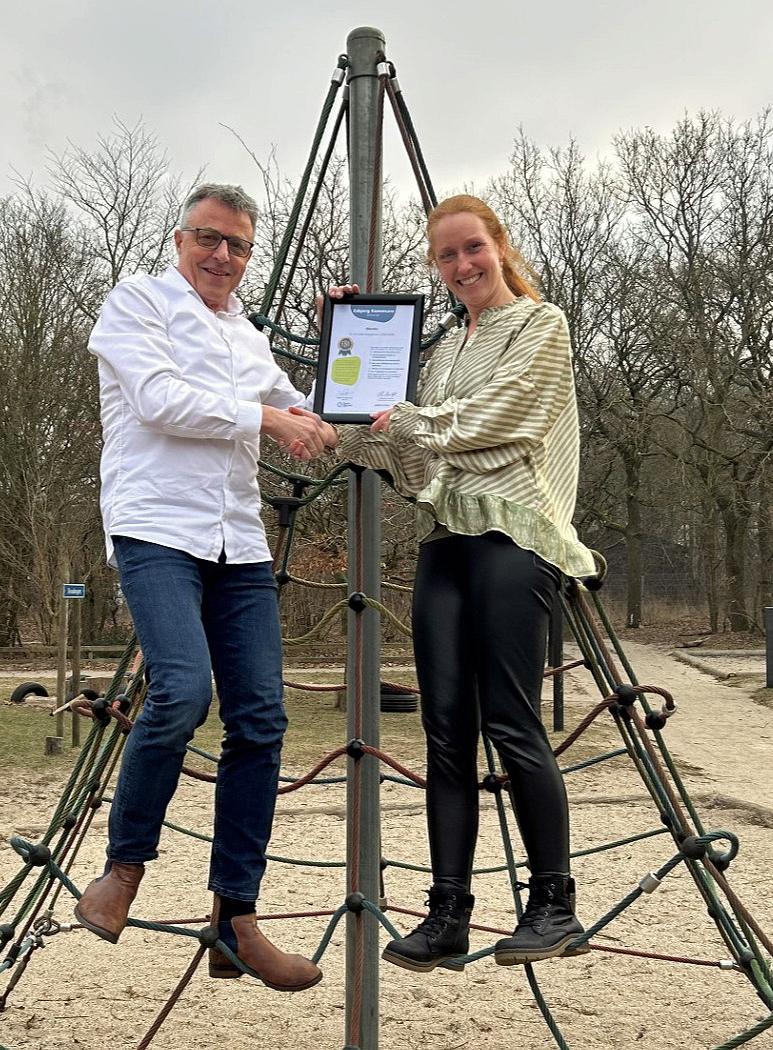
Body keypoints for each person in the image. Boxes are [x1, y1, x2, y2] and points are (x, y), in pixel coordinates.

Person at [75, 183, 335, 993]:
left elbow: (308, 410)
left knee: (260, 715)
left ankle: (234, 919)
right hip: (157, 527)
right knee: (183, 689)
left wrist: (346, 338)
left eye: (238, 246)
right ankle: (123, 868)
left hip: (237, 541)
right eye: (208, 238)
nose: (222, 256)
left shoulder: (246, 336)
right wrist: (266, 421)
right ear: (180, 239)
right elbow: (157, 400)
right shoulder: (137, 303)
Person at [333, 194, 598, 971]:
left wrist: (409, 423)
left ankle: (553, 904)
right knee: (444, 730)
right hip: (445, 541)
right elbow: (420, 466)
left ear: (499, 246)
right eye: (446, 255)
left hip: (513, 534)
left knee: (510, 720)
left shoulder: (539, 326)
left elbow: (506, 421)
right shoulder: (445, 348)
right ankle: (447, 911)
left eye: (472, 248)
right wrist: (345, 364)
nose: (462, 265)